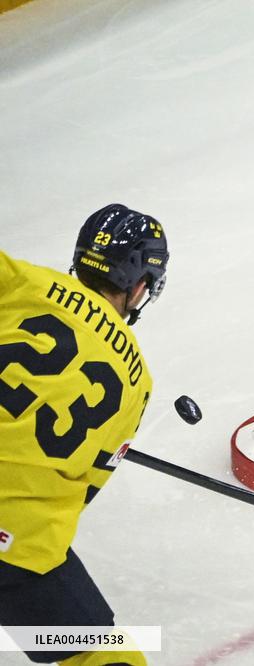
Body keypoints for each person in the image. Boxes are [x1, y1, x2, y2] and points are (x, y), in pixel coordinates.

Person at [0, 204, 168, 666]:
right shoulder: (138, 383)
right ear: (139, 286)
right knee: (100, 653)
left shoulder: (23, 282)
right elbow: (88, 486)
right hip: (15, 548)